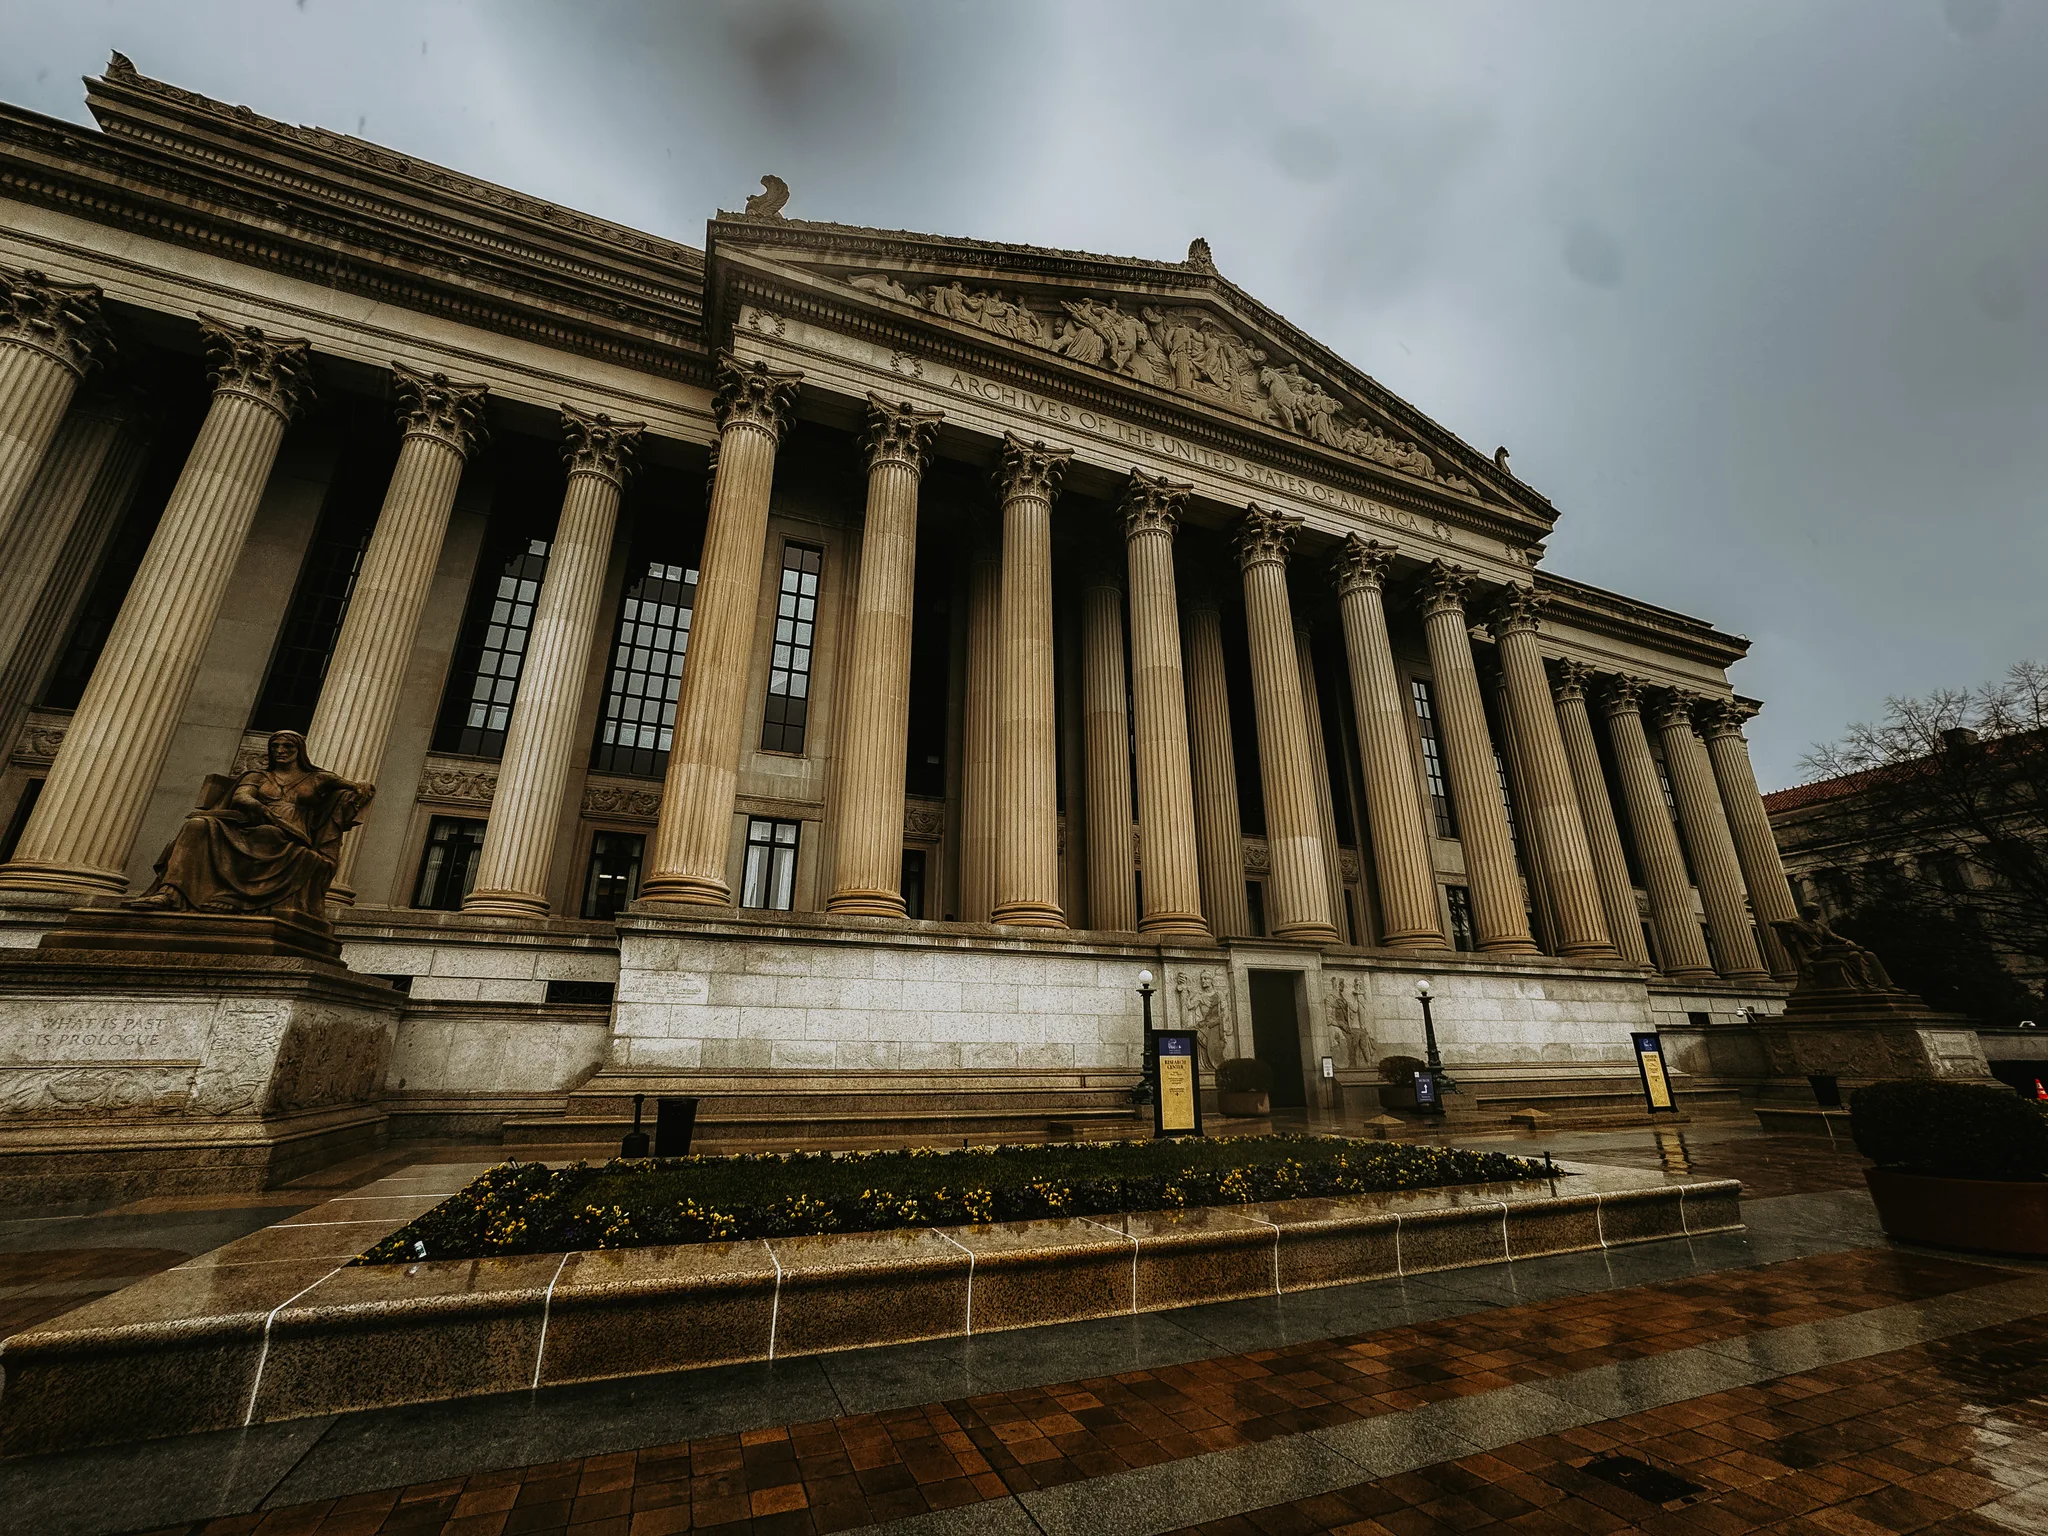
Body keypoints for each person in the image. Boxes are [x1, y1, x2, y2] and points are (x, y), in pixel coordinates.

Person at [125, 730, 373, 922]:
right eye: (275, 746)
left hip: (290, 832)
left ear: (300, 750)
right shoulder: (258, 776)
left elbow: (354, 787)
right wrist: (255, 805)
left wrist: (360, 786)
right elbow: (241, 796)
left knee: (268, 835)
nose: (280, 751)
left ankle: (233, 898)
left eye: (287, 746)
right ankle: (170, 892)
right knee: (198, 825)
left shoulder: (317, 778)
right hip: (250, 823)